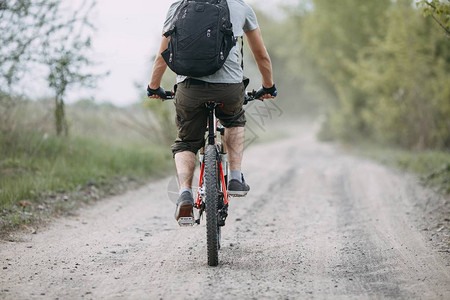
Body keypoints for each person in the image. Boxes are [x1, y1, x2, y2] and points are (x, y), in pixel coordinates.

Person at [147, 0, 277, 222]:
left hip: (190, 89)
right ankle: (235, 177)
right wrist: (268, 86)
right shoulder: (240, 7)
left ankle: (185, 193)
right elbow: (261, 54)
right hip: (229, 89)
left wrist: (153, 87)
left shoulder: (178, 6)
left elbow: (163, 54)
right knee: (234, 120)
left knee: (186, 142)